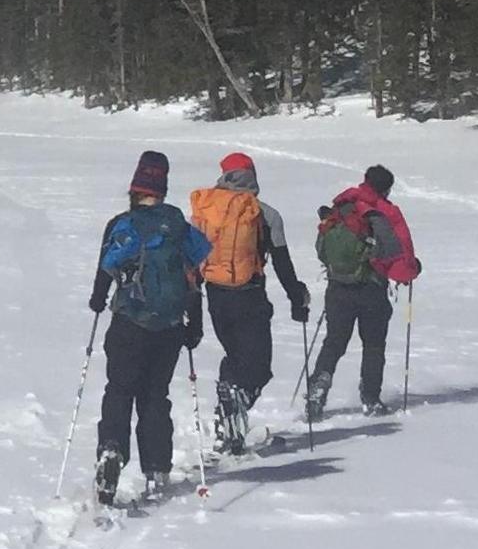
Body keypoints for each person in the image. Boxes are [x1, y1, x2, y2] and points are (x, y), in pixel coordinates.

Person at [88, 150, 210, 506]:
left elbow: (103, 272)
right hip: (169, 327)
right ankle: (156, 468)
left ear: (135, 187)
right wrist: (195, 324)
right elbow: (193, 278)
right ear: (163, 188)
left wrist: (98, 301)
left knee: (120, 390)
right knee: (155, 395)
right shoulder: (178, 228)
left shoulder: (120, 224)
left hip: (128, 323)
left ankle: (111, 450)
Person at [189, 151, 310, 454]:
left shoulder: (205, 211)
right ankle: (232, 412)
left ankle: (229, 425)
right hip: (250, 295)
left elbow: (192, 260)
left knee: (234, 356)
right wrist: (297, 298)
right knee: (259, 368)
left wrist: (190, 302)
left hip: (216, 296)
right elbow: (282, 262)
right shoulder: (264, 214)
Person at [308, 164, 422, 420]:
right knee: (373, 345)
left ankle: (318, 387)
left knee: (334, 342)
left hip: (338, 287)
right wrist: (411, 271)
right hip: (371, 288)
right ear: (386, 188)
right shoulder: (384, 212)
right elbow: (398, 254)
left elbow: (321, 247)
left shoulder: (342, 206)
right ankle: (370, 398)